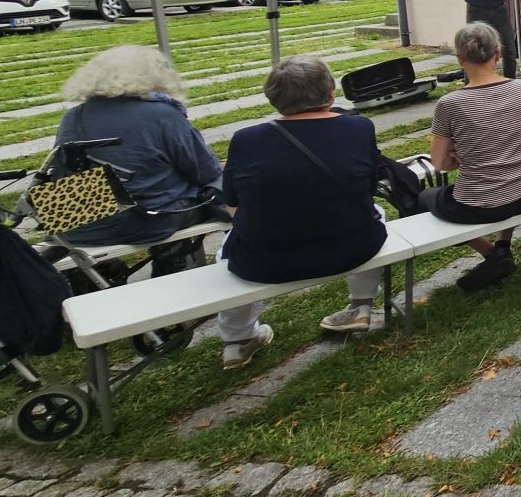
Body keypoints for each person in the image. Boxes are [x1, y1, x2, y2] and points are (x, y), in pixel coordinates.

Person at [212, 57, 391, 367]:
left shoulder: (246, 140)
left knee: (226, 248)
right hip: (352, 248)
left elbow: (232, 204)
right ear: (331, 92)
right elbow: (371, 181)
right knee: (375, 212)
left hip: (265, 260)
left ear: (273, 97)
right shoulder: (358, 128)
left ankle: (238, 339)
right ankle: (361, 305)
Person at [48, 45, 223, 248]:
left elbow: (63, 173)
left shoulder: (73, 116)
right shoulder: (160, 114)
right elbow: (204, 171)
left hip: (74, 224)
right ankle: (174, 262)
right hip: (143, 222)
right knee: (217, 189)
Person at [422, 23, 521, 291]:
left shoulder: (449, 104)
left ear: (460, 59)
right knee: (508, 177)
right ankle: (502, 246)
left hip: (482, 203)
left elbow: (438, 163)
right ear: (499, 54)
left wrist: (456, 159)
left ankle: (492, 254)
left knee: (422, 198)